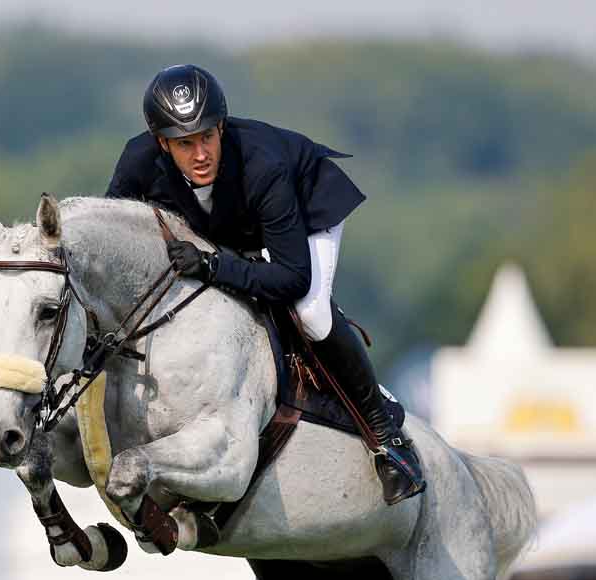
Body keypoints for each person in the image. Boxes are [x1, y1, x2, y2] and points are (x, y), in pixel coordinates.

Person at [106, 64, 425, 505]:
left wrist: (214, 266)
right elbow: (115, 238)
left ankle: (387, 438)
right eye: (184, 144)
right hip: (231, 224)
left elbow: (294, 277)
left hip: (304, 210)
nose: (200, 154)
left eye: (207, 137)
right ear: (162, 144)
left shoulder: (264, 166)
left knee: (310, 312)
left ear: (221, 128)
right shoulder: (138, 161)